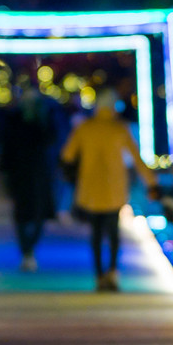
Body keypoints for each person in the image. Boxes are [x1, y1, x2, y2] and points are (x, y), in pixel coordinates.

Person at [59, 93, 144, 292]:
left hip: (90, 188)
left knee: (96, 233)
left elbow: (66, 155)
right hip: (114, 189)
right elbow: (137, 158)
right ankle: (113, 272)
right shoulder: (119, 129)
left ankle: (99, 275)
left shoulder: (85, 128)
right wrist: (152, 184)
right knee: (114, 232)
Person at [0, 89, 59, 270]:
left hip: (37, 174)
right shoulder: (15, 120)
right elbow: (6, 149)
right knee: (23, 215)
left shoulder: (43, 119)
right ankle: (27, 251)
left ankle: (28, 250)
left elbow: (52, 140)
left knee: (35, 215)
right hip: (24, 175)